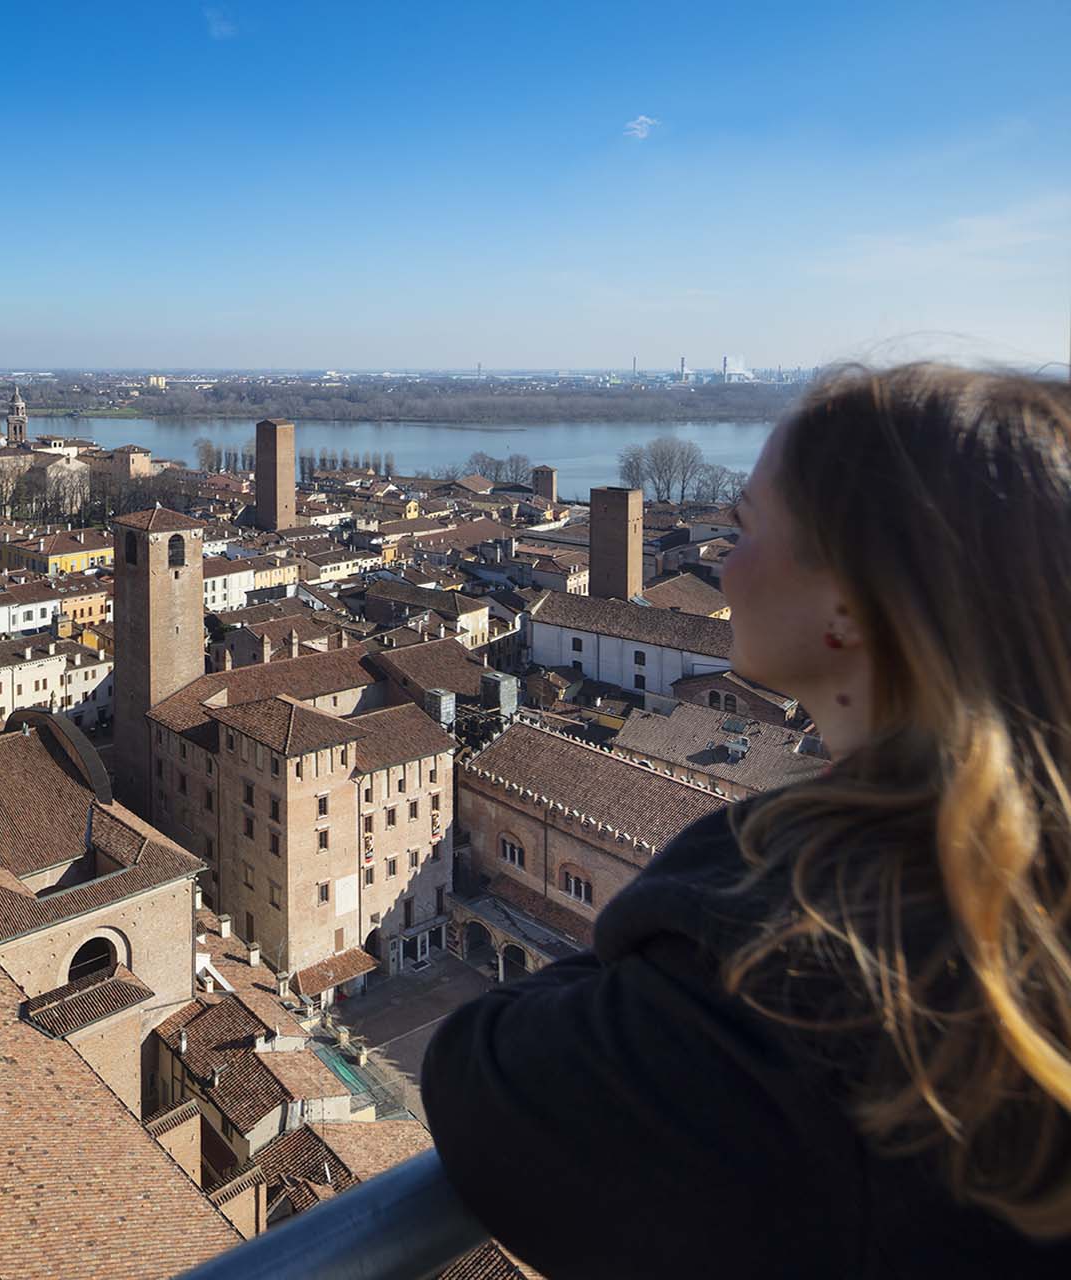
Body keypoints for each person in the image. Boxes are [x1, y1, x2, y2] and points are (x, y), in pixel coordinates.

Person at [423, 365, 1071, 1277]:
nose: (720, 563)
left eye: (749, 526)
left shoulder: (809, 940)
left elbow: (481, 1086)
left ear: (851, 603)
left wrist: (716, 879)